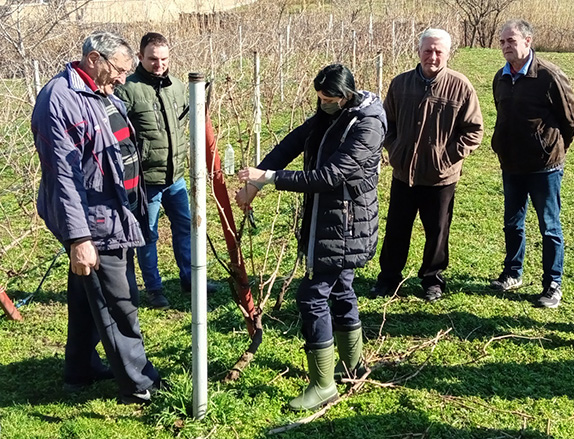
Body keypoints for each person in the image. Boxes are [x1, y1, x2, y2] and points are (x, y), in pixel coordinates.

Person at [235, 64, 386, 411]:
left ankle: (323, 384)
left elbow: (329, 177)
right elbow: (294, 141)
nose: (324, 104)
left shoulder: (367, 124)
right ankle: (352, 365)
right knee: (342, 288)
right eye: (319, 98)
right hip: (328, 219)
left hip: (346, 224)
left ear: (347, 95)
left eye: (330, 98)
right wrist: (255, 182)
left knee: (312, 297)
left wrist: (270, 177)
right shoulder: (330, 114)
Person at [33, 31, 162, 404]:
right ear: (94, 60)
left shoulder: (98, 90)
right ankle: (139, 384)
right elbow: (64, 178)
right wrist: (79, 239)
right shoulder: (60, 100)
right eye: (119, 69)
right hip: (95, 220)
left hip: (115, 210)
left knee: (86, 296)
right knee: (119, 302)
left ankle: (80, 369)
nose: (125, 77)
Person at [369, 28, 484, 302]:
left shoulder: (461, 86)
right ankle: (388, 279)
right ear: (419, 51)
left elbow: (474, 130)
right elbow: (387, 124)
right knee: (397, 228)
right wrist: (395, 150)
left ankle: (432, 280)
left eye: (438, 51)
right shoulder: (400, 84)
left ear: (447, 54)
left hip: (441, 177)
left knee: (437, 231)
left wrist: (445, 158)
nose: (432, 56)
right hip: (403, 173)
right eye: (428, 50)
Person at [116, 32, 214, 310]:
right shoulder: (128, 89)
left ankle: (189, 278)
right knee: (148, 236)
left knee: (187, 228)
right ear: (140, 57)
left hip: (177, 177)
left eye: (163, 59)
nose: (159, 64)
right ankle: (154, 289)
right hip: (146, 181)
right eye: (152, 59)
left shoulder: (178, 86)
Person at [489, 19, 574, 308]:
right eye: (502, 41)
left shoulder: (549, 76)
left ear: (528, 41)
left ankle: (553, 284)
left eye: (511, 41)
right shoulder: (500, 78)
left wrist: (551, 149)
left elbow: (572, 120)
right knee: (512, 223)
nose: (505, 46)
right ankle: (512, 273)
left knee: (549, 226)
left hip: (545, 168)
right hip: (512, 165)